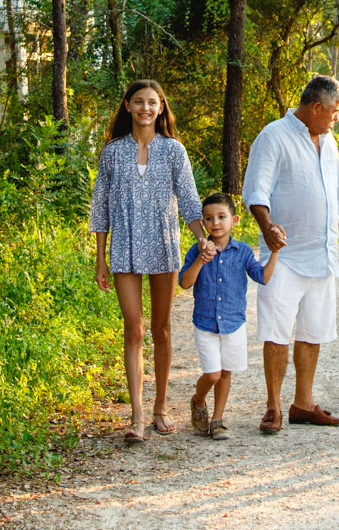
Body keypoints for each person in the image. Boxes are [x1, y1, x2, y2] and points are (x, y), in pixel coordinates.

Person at [242, 74, 339, 434]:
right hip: (286, 256)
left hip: (322, 255)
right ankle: (273, 406)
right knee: (277, 331)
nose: (337, 117)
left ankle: (303, 404)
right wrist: (267, 227)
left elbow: (337, 192)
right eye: (335, 111)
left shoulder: (329, 143)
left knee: (313, 330)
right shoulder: (273, 136)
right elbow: (256, 190)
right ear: (316, 107)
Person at [89, 79, 204, 443]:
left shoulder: (174, 151)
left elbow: (188, 200)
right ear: (127, 106)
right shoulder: (112, 153)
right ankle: (137, 414)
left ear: (161, 107)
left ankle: (160, 408)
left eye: (152, 102)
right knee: (134, 329)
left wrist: (203, 238)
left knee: (162, 329)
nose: (145, 108)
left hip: (163, 246)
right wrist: (100, 259)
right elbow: (100, 208)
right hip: (122, 248)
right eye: (138, 102)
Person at [180, 194, 278, 441]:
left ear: (233, 220)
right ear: (203, 223)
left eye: (221, 217)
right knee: (212, 373)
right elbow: (184, 283)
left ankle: (218, 419)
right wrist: (202, 260)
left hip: (233, 322)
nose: (216, 223)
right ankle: (198, 400)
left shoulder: (242, 251)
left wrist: (275, 252)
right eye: (209, 218)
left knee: (225, 372)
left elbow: (262, 277)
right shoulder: (196, 250)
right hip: (205, 322)